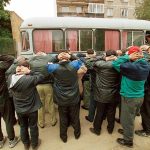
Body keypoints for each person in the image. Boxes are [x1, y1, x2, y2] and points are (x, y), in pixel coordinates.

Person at [112, 46, 150, 148]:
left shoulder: (129, 67)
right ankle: (126, 131)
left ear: (132, 55)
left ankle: (128, 141)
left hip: (129, 97)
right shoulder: (146, 64)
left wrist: (127, 57)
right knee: (131, 116)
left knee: (126, 119)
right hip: (140, 96)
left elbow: (115, 63)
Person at [47, 50, 87, 143]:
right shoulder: (74, 65)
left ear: (59, 59)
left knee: (63, 118)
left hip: (61, 98)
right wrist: (70, 55)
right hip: (73, 97)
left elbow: (47, 64)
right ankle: (77, 134)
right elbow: (82, 61)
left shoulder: (54, 67)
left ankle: (63, 137)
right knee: (75, 117)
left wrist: (57, 57)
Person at [8, 61, 44, 150]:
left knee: (23, 127)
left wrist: (17, 69)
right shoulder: (29, 79)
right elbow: (41, 76)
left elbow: (10, 71)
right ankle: (34, 144)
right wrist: (29, 72)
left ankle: (26, 144)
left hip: (19, 109)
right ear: (27, 68)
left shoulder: (10, 78)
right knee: (33, 126)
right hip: (32, 109)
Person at [89, 50, 120, 135]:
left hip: (101, 93)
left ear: (106, 55)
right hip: (114, 93)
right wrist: (117, 58)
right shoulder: (119, 65)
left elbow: (90, 61)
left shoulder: (100, 65)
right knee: (111, 112)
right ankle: (110, 129)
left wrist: (103, 57)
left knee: (99, 112)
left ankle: (97, 130)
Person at [29, 52, 57, 128]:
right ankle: (53, 121)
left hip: (38, 86)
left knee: (40, 105)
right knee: (50, 103)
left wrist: (35, 55)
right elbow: (53, 58)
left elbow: (30, 59)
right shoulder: (48, 60)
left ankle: (41, 123)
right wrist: (45, 55)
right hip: (48, 85)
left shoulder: (32, 62)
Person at [0, 54, 20, 149]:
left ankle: (0, 140)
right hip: (3, 98)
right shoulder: (0, 67)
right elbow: (11, 59)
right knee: (8, 119)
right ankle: (12, 140)